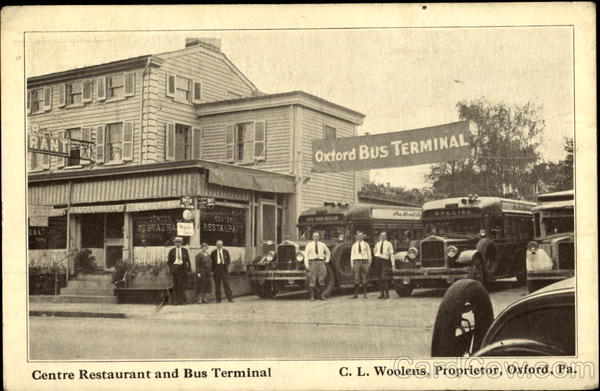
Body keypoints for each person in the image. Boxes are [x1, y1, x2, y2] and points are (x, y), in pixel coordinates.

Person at [303, 231, 331, 301]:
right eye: (314, 236)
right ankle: (312, 296)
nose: (316, 237)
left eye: (317, 236)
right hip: (312, 262)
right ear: (312, 237)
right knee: (312, 279)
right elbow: (306, 255)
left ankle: (321, 295)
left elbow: (328, 252)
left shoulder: (322, 244)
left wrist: (327, 260)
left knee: (322, 279)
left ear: (319, 237)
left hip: (321, 262)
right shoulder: (309, 245)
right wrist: (306, 264)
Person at [167, 237, 191, 305]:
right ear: (174, 243)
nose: (178, 243)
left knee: (182, 286)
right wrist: (172, 268)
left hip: (183, 270)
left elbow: (188, 261)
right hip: (175, 270)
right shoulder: (172, 251)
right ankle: (175, 301)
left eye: (179, 242)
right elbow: (169, 262)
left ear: (181, 243)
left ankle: (182, 301)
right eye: (176, 242)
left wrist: (189, 270)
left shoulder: (184, 250)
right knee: (175, 286)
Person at [373, 231, 395, 299]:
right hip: (378, 261)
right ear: (380, 237)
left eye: (384, 235)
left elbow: (391, 254)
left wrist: (393, 264)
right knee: (380, 278)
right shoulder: (377, 244)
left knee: (384, 277)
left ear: (386, 237)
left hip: (385, 261)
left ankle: (387, 294)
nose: (382, 237)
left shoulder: (389, 244)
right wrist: (376, 256)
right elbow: (374, 252)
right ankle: (381, 294)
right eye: (381, 235)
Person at [350, 231, 372, 299]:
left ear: (363, 237)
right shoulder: (354, 245)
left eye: (361, 236)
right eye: (359, 236)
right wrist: (352, 264)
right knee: (356, 278)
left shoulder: (366, 244)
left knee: (364, 278)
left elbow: (369, 254)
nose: (360, 237)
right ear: (357, 237)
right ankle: (356, 294)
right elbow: (352, 255)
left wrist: (369, 262)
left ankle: (365, 294)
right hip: (356, 261)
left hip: (364, 261)